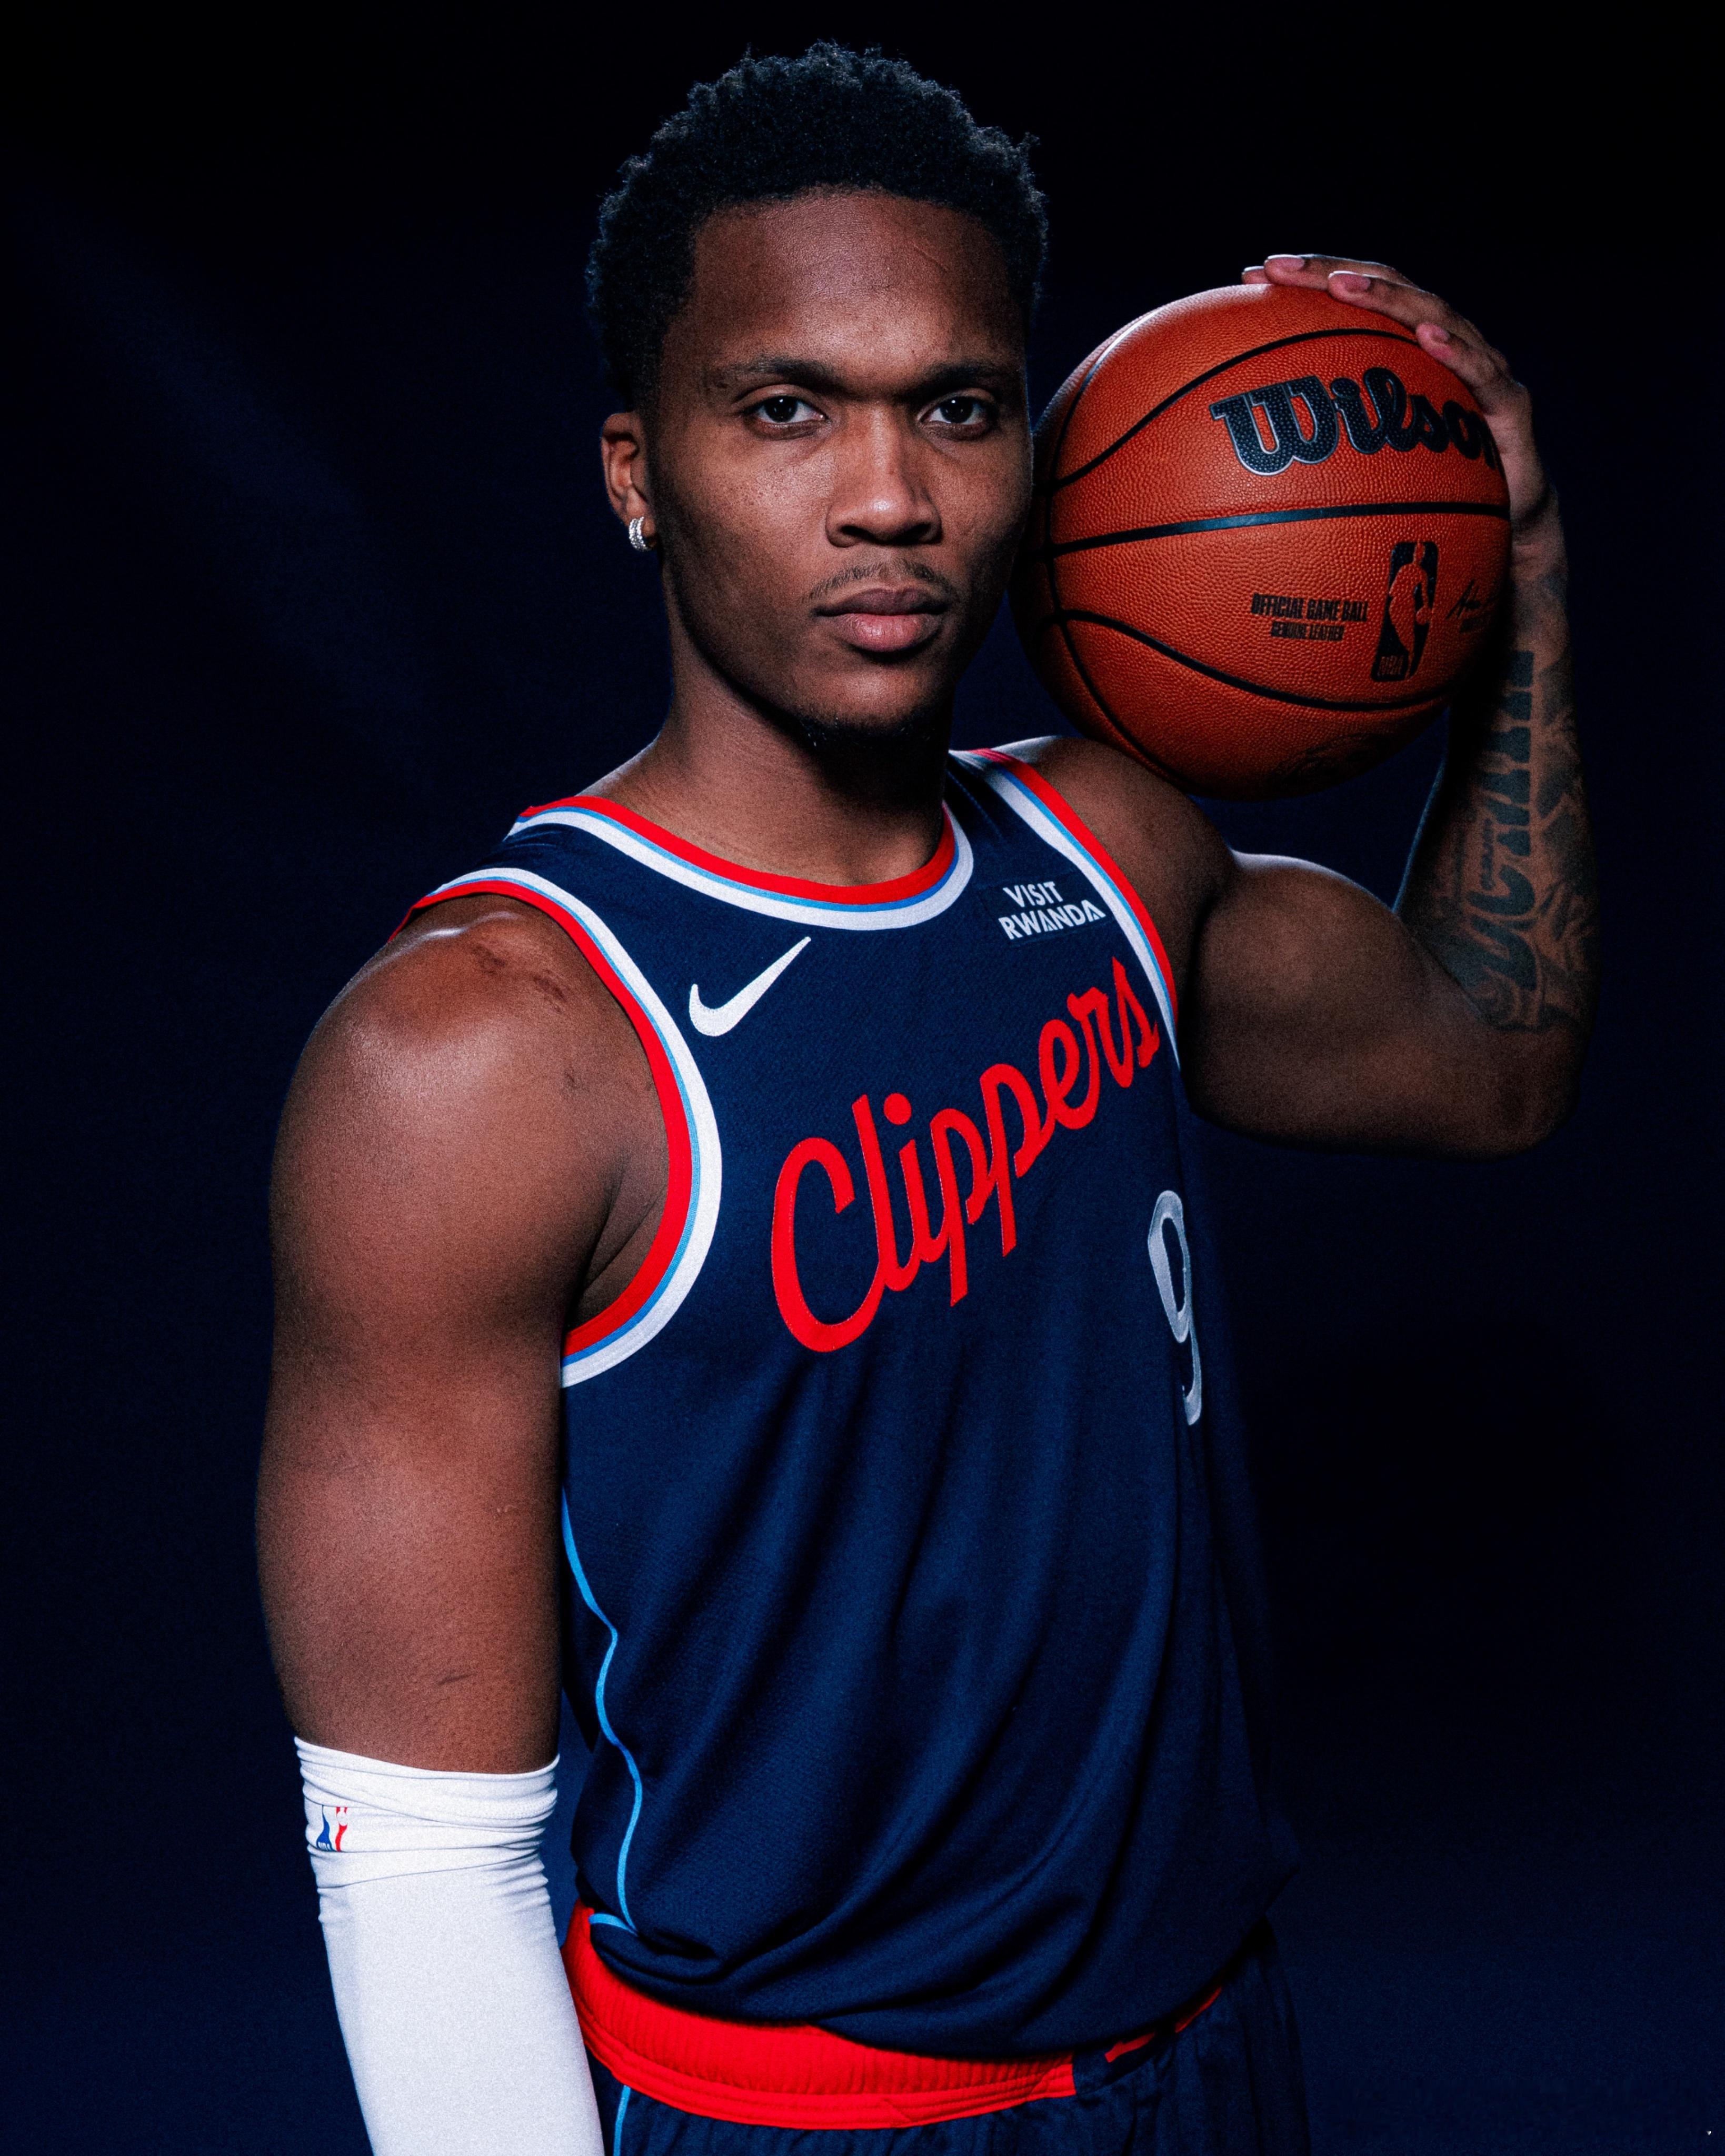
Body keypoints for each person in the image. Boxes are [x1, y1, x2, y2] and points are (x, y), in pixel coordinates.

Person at [257, 44, 1596, 2156]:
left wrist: (1508, 569)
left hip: (1215, 2057)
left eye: (958, 408)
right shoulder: (487, 1049)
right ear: (637, 470)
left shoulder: (1113, 856)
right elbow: (424, 1856)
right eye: (786, 409)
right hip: (815, 2116)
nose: (888, 495)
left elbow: (1492, 1060)